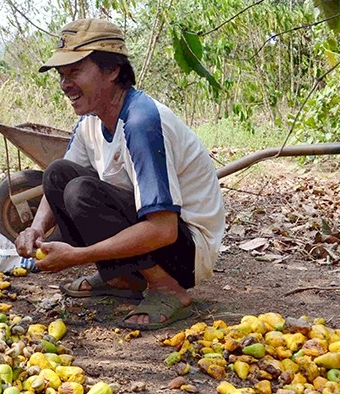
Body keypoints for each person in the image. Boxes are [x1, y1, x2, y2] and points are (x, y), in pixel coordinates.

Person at [15, 18, 225, 330]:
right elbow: (58, 181)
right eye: (62, 75)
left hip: (187, 251)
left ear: (113, 70)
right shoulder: (90, 120)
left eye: (75, 71)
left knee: (81, 193)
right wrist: (34, 229)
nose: (65, 84)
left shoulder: (141, 122)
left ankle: (167, 289)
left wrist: (79, 256)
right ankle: (124, 279)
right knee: (58, 174)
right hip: (158, 236)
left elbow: (164, 230)